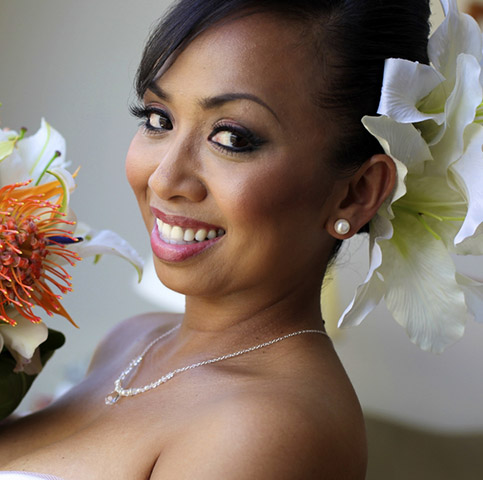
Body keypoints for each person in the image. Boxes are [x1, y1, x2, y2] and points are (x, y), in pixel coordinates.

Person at [0, 0, 431, 478]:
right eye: (158, 119)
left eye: (231, 139)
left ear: (356, 193)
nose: (164, 180)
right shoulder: (134, 340)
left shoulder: (265, 429)